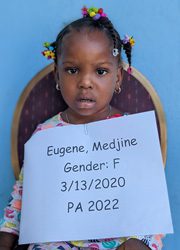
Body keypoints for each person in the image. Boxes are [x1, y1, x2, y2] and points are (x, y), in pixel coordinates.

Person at [0, 6, 164, 250]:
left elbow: (149, 206)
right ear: (57, 75)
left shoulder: (132, 135)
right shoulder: (45, 135)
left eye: (100, 71)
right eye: (72, 70)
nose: (85, 82)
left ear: (117, 78)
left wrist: (140, 242)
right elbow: (20, 201)